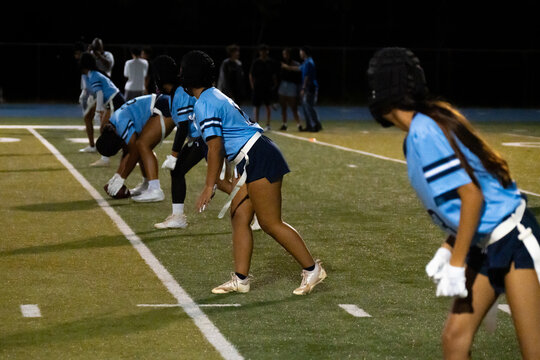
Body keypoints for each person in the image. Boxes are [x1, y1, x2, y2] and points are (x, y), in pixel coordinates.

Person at [367, 47, 540, 359]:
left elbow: (472, 196)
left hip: (512, 239)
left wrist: (457, 262)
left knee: (534, 350)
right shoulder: (420, 131)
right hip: (485, 241)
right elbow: (473, 195)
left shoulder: (423, 133)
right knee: (455, 338)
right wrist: (449, 246)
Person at [180, 50, 326, 295]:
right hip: (250, 157)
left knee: (270, 223)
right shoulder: (211, 96)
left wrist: (209, 186)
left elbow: (215, 146)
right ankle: (241, 279)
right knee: (239, 217)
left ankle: (312, 270)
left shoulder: (205, 102)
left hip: (258, 156)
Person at [95, 92, 175, 202]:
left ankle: (155, 189)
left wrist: (121, 178)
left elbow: (134, 153)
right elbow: (127, 151)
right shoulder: (114, 124)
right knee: (142, 146)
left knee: (142, 145)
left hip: (162, 106)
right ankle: (147, 184)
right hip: (160, 104)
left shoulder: (121, 123)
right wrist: (116, 176)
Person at [79, 52, 125, 167]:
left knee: (108, 128)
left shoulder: (93, 75)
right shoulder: (93, 74)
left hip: (114, 100)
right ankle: (106, 158)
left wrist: (98, 111)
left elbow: (99, 93)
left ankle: (109, 158)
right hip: (113, 100)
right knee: (108, 128)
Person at [282, 46, 322, 132]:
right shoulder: (306, 62)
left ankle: (315, 125)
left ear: (304, 52)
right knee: (305, 107)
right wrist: (287, 67)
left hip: (309, 88)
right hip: (308, 87)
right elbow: (298, 68)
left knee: (309, 107)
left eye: (301, 52)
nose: (300, 53)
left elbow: (307, 76)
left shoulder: (309, 62)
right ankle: (311, 125)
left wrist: (303, 88)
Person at [74, 41, 97, 153]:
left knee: (104, 124)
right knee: (88, 119)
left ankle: (104, 151)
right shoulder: (89, 72)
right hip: (92, 96)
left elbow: (94, 89)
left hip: (97, 97)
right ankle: (92, 146)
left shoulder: (93, 74)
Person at [249, 44, 278, 130]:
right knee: (256, 106)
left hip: (267, 87)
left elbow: (274, 75)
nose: (263, 52)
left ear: (267, 52)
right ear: (259, 52)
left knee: (268, 106)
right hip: (258, 87)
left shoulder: (270, 62)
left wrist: (275, 84)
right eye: (262, 51)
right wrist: (252, 85)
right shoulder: (256, 62)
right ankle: (256, 124)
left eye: (265, 51)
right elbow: (251, 74)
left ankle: (268, 124)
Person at [277, 48, 302, 131]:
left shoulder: (295, 63)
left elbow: (298, 72)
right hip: (283, 86)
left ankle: (299, 125)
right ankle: (284, 124)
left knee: (294, 107)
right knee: (283, 107)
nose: (285, 56)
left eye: (287, 54)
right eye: (284, 54)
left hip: (292, 86)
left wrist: (287, 67)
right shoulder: (281, 64)